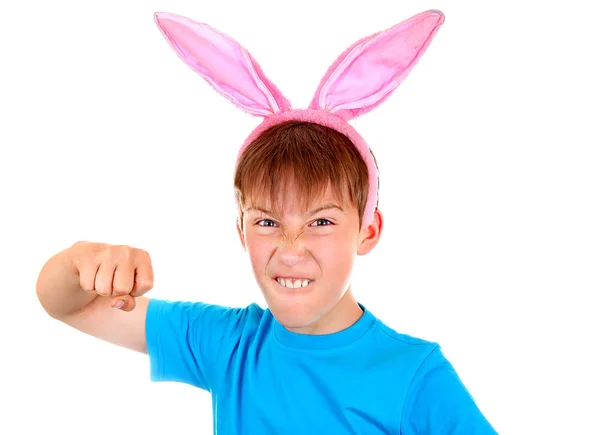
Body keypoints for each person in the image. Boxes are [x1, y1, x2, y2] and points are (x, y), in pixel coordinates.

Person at [36, 9, 498, 434]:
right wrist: (81, 263)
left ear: (368, 230)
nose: (291, 249)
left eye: (320, 222)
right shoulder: (228, 344)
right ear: (241, 232)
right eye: (267, 222)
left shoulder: (415, 376)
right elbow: (68, 305)